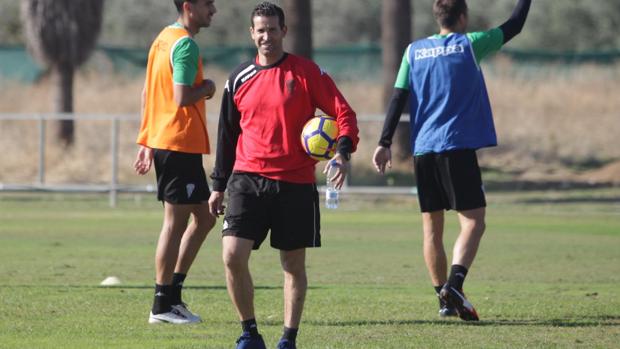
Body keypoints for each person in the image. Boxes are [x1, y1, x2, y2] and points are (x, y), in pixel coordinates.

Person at [208, 2, 359, 348]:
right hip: (247, 177)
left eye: (272, 29)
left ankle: (288, 339)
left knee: (292, 264)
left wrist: (342, 151)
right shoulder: (238, 78)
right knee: (232, 255)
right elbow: (227, 135)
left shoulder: (307, 73)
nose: (266, 36)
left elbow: (343, 112)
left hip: (295, 182)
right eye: (260, 30)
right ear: (251, 33)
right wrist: (218, 185)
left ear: (284, 32)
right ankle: (249, 333)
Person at [373, 0, 532, 321]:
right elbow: (514, 25)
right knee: (474, 220)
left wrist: (384, 141)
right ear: (462, 17)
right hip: (456, 147)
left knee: (432, 228)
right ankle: (455, 283)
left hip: (423, 150)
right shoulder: (470, 43)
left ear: (437, 17)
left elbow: (398, 97)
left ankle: (443, 301)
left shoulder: (413, 51)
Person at [134, 0, 218, 324]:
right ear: (189, 6)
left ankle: (173, 296)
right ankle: (160, 306)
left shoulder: (162, 39)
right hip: (178, 142)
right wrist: (208, 88)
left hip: (170, 141)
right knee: (175, 222)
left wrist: (146, 141)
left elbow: (148, 94)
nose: (214, 10)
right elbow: (181, 96)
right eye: (208, 4)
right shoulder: (185, 44)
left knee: (205, 218)